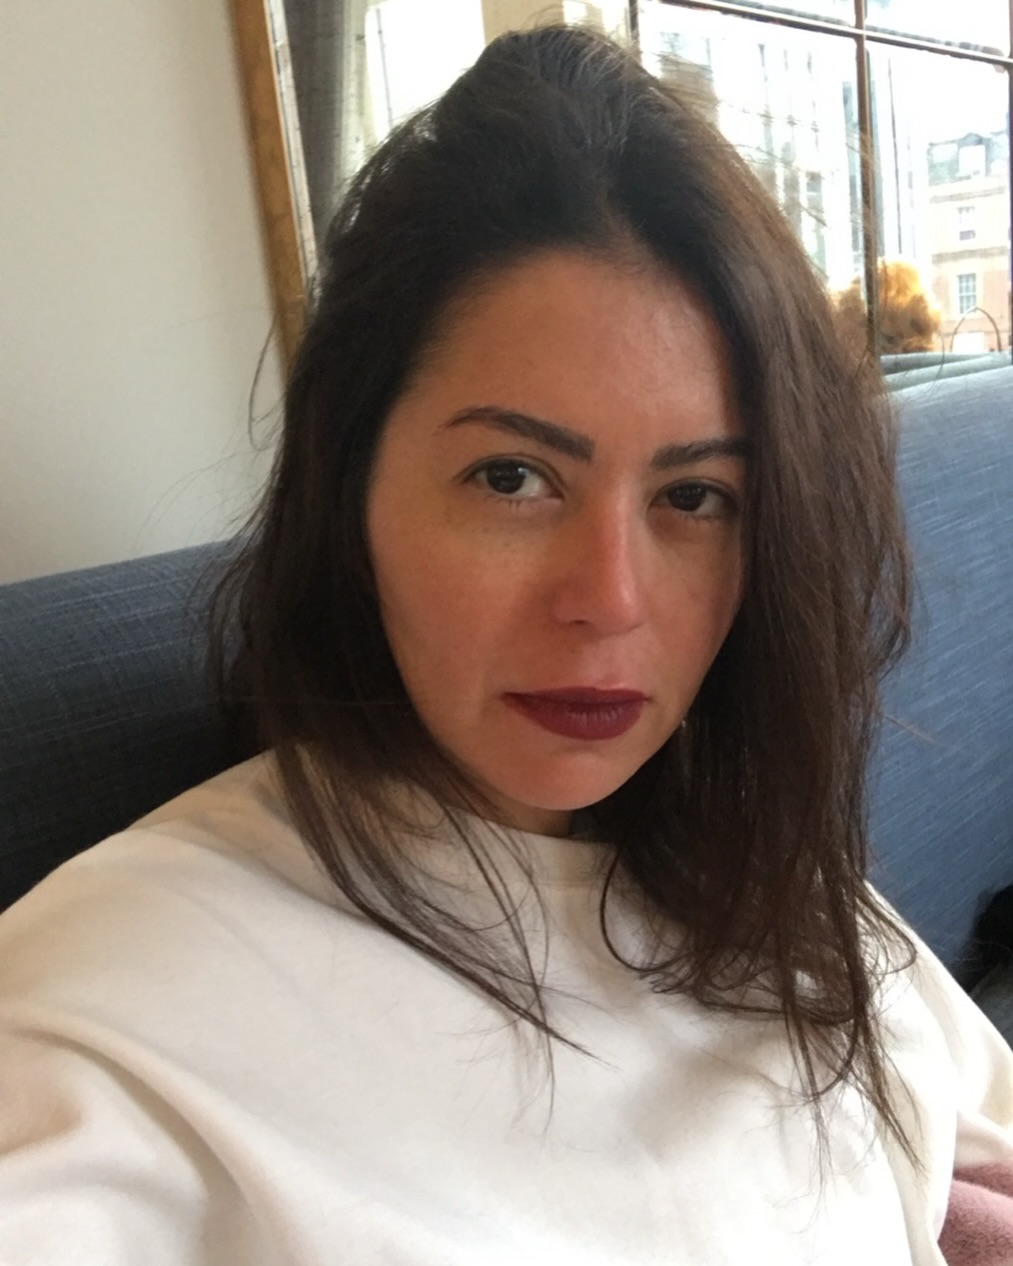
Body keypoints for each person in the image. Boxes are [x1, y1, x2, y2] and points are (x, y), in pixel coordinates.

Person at [0, 23, 1010, 1265]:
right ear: (347, 485)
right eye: (511, 477)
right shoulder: (108, 1020)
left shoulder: (757, 866)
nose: (609, 599)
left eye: (693, 497)